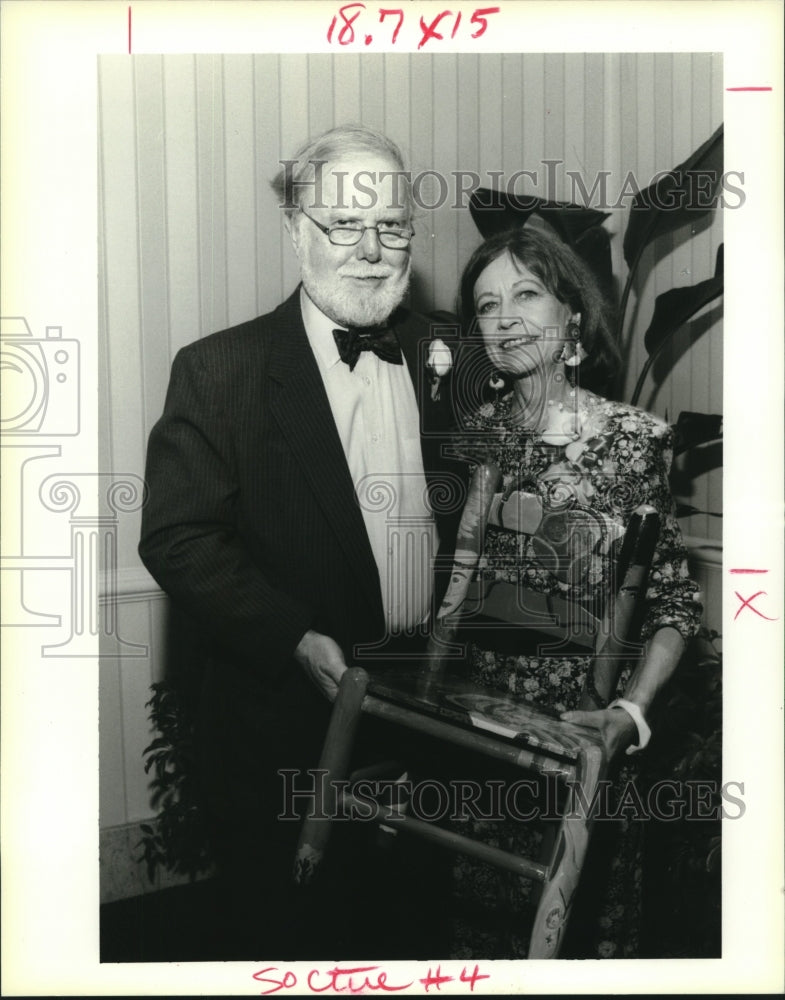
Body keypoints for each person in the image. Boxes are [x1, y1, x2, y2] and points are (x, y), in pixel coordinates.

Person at [138, 124, 456, 959]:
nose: (371, 250)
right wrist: (290, 638)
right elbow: (178, 538)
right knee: (296, 942)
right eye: (342, 225)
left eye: (390, 226)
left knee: (417, 939)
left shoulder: (446, 351)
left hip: (431, 725)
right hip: (285, 729)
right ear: (295, 233)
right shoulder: (219, 371)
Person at [444, 226, 703, 958]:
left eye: (526, 293)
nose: (505, 317)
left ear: (572, 319)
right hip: (484, 747)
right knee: (484, 944)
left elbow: (674, 604)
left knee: (574, 946)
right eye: (487, 304)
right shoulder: (480, 438)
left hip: (584, 745)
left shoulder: (633, 439)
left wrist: (631, 711)